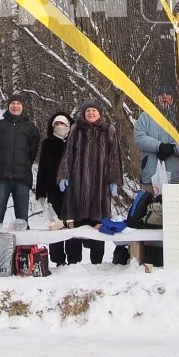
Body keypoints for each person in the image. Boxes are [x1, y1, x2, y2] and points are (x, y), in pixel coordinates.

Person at [57, 100, 119, 266]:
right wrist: (64, 174)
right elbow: (68, 152)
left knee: (98, 224)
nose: (91, 113)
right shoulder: (76, 129)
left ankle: (97, 262)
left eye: (94, 111)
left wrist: (114, 180)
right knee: (74, 225)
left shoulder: (108, 129)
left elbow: (114, 156)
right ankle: (73, 261)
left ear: (100, 113)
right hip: (77, 183)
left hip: (100, 184)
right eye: (88, 111)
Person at [0, 96, 42, 229]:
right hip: (0, 176)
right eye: (12, 103)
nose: (15, 106)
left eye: (18, 103)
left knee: (22, 220)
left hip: (22, 177)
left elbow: (33, 152)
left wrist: (24, 165)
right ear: (8, 106)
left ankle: (23, 250)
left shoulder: (31, 128)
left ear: (22, 106)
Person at [34, 113, 73, 262]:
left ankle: (73, 258)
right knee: (56, 223)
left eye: (62, 124)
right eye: (57, 124)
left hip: (72, 188)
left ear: (68, 126)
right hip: (53, 188)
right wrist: (41, 193)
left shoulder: (75, 142)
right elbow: (42, 168)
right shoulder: (48, 143)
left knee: (71, 223)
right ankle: (57, 258)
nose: (60, 127)